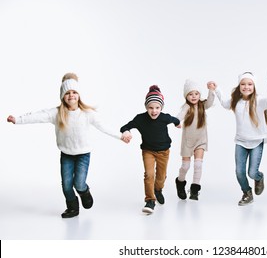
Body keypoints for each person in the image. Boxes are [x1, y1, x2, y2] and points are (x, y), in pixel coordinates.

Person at [6, 73, 129, 218]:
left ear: (79, 95)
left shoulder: (87, 113)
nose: (71, 95)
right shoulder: (57, 113)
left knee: (79, 183)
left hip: (83, 154)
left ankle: (84, 191)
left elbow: (104, 126)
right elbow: (37, 116)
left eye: (74, 92)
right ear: (62, 96)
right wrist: (18, 120)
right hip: (66, 155)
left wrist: (121, 136)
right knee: (66, 185)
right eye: (67, 93)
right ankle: (72, 208)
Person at [212, 72, 267, 206]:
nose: (246, 87)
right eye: (243, 84)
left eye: (249, 84)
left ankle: (259, 177)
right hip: (241, 142)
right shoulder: (236, 101)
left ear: (254, 86)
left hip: (257, 141)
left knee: (252, 172)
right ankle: (247, 193)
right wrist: (216, 89)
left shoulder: (259, 101)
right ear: (239, 86)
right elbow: (225, 103)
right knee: (239, 172)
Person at [120, 85, 180, 214]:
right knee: (149, 175)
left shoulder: (164, 117)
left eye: (157, 108)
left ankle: (158, 190)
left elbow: (175, 119)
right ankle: (150, 200)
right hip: (148, 151)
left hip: (164, 152)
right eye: (150, 108)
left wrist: (178, 123)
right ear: (146, 107)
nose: (154, 111)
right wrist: (126, 131)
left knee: (161, 176)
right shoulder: (140, 119)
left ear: (161, 108)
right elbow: (125, 126)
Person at [175, 79, 215, 200]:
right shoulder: (187, 106)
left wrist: (211, 90)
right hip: (188, 141)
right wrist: (176, 122)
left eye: (196, 94)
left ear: (199, 95)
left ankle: (194, 189)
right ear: (186, 96)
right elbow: (180, 115)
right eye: (190, 94)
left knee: (198, 164)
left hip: (201, 141)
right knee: (186, 166)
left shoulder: (202, 105)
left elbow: (210, 102)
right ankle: (180, 182)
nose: (194, 96)